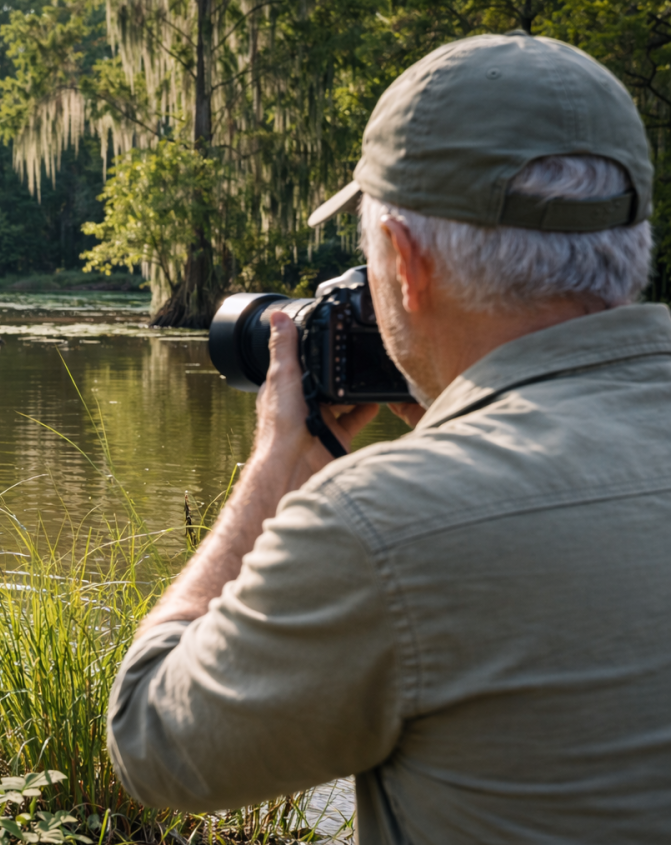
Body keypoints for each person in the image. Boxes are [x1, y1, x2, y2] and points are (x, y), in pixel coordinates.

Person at [107, 32, 671, 844]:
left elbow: (153, 740)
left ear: (405, 262)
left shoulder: (387, 522)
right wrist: (458, 415)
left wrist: (274, 467)